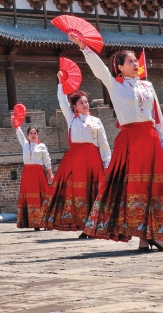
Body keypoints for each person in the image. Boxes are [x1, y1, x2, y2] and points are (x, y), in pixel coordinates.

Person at [72, 40, 163, 252]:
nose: (136, 64)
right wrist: (84, 47)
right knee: (135, 187)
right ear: (119, 67)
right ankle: (142, 234)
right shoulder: (114, 85)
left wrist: (162, 141)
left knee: (153, 187)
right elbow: (99, 69)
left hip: (150, 138)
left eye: (136, 60)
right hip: (130, 140)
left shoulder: (147, 86)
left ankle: (150, 237)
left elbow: (157, 116)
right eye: (130, 61)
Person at [38, 72, 111, 235]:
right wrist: (60, 83)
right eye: (81, 102)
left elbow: (103, 144)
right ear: (75, 107)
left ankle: (93, 226)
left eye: (86, 102)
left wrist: (107, 162)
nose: (85, 104)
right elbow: (62, 101)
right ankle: (82, 225)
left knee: (93, 191)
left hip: (93, 159)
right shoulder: (72, 119)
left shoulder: (96, 121)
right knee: (77, 192)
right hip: (75, 160)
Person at [14, 124, 53, 230]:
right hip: (28, 174)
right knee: (30, 197)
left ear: (38, 135)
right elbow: (19, 133)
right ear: (28, 135)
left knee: (42, 196)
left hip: (38, 174)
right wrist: (16, 124)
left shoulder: (42, 146)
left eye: (35, 133)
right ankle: (33, 222)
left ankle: (44, 221)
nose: (33, 135)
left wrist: (50, 174)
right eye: (31, 133)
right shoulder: (25, 144)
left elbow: (47, 161)